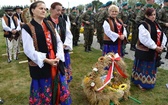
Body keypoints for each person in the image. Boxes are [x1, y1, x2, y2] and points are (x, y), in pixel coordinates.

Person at [21, 1, 71, 104]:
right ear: (33, 11)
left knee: (58, 85)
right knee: (44, 89)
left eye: (45, 9)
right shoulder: (27, 28)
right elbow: (28, 50)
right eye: (41, 8)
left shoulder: (49, 24)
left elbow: (58, 41)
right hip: (41, 64)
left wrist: (58, 57)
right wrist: (47, 60)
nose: (44, 10)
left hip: (55, 60)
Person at [131, 8, 167, 90]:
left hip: (154, 51)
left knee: (150, 68)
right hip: (145, 51)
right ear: (146, 15)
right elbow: (144, 39)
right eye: (151, 15)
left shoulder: (156, 24)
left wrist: (162, 46)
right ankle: (140, 83)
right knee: (143, 67)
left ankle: (149, 82)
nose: (153, 17)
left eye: (154, 14)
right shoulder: (143, 25)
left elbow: (163, 35)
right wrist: (155, 47)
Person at [47, 2, 73, 84]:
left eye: (60, 10)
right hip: (52, 52)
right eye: (57, 10)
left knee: (64, 69)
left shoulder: (62, 21)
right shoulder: (46, 22)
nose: (59, 12)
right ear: (51, 9)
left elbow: (69, 34)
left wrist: (64, 45)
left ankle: (64, 84)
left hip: (64, 50)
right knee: (54, 70)